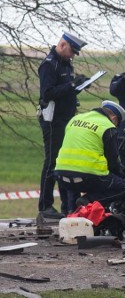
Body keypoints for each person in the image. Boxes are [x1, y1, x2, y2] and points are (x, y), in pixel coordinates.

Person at [37, 31, 87, 221]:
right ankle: (45, 206)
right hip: (52, 120)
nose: (73, 55)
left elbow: (66, 90)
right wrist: (72, 85)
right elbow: (47, 93)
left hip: (66, 119)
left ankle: (67, 205)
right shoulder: (49, 65)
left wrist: (79, 85)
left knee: (62, 162)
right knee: (51, 163)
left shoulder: (65, 64)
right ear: (63, 44)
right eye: (72, 51)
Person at [54, 100, 125, 210]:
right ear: (114, 118)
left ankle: (69, 212)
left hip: (60, 175)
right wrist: (121, 175)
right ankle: (87, 201)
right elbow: (112, 160)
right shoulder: (107, 126)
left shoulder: (75, 119)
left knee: (72, 181)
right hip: (88, 178)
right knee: (122, 187)